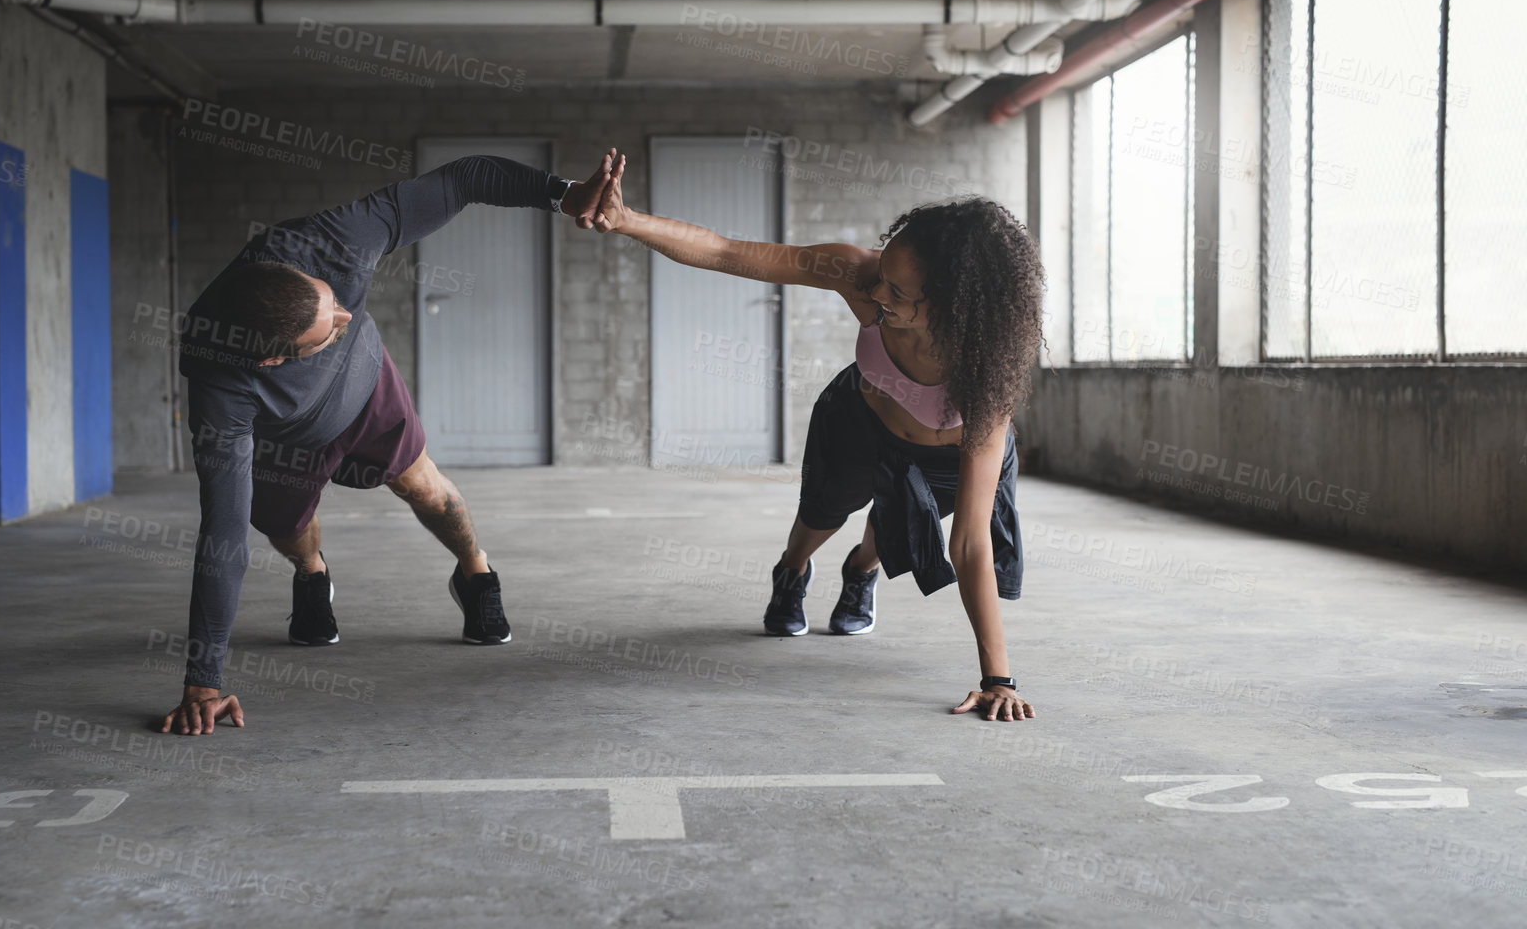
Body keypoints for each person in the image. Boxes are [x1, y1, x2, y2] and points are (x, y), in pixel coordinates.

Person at [162, 151, 617, 734]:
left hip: (366, 387)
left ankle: (475, 572)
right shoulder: (220, 384)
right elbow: (221, 534)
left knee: (429, 491)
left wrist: (563, 193)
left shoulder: (333, 241)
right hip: (285, 437)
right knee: (282, 529)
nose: (348, 316)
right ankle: (312, 576)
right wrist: (204, 681)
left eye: (335, 302)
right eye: (329, 331)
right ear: (272, 359)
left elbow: (464, 179)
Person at [593, 155, 1041, 722]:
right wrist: (628, 220)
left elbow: (971, 543)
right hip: (860, 417)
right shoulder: (863, 277)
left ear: (954, 304)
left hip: (946, 455)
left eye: (898, 291)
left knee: (903, 520)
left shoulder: (984, 377)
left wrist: (997, 679)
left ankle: (862, 571)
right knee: (822, 512)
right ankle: (793, 570)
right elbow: (730, 252)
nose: (876, 291)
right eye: (882, 271)